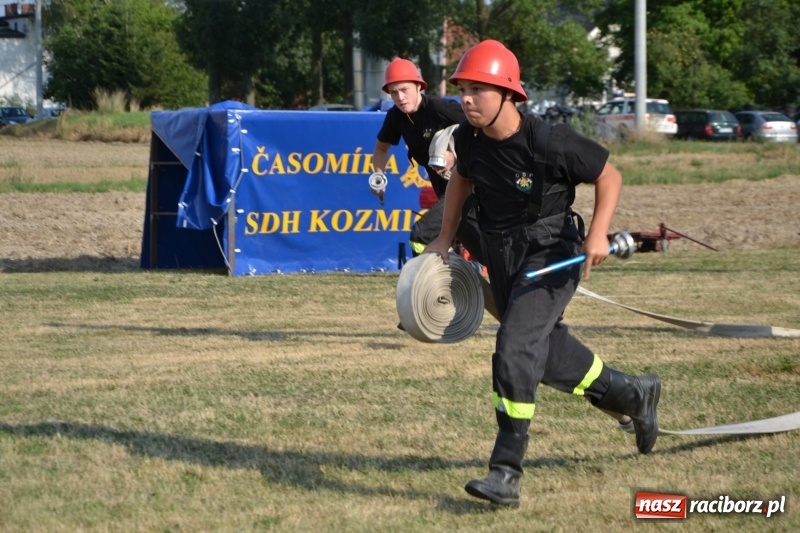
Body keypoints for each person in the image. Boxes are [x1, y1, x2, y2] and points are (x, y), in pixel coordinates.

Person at [422, 40, 661, 508]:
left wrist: (598, 233)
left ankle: (505, 471)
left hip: (551, 254)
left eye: (478, 90)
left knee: (514, 346)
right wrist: (445, 238)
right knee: (547, 356)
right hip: (504, 255)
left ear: (510, 95)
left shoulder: (548, 139)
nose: (467, 99)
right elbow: (461, 181)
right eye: (463, 89)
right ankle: (635, 395)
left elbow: (609, 176)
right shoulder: (467, 140)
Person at [371, 57, 484, 266]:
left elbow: (482, 130)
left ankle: (424, 283)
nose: (400, 97)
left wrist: (456, 154)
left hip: (467, 182)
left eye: (404, 89)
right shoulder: (396, 117)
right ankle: (498, 273)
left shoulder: (440, 109)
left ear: (418, 86)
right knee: (476, 241)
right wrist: (378, 174)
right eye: (394, 92)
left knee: (422, 234)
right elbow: (381, 148)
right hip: (443, 187)